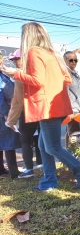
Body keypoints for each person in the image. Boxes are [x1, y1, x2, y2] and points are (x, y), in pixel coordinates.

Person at [1, 22, 80, 191]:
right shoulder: (52, 53)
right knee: (45, 146)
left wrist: (15, 73)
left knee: (52, 146)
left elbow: (38, 80)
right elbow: (67, 79)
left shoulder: (33, 52)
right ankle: (49, 181)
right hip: (56, 105)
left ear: (28, 36)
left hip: (46, 107)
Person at [6, 48, 43, 179]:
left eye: (17, 59)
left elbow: (18, 100)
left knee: (25, 140)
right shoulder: (38, 71)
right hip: (44, 110)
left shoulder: (20, 75)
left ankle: (29, 169)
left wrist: (10, 120)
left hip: (28, 111)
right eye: (14, 60)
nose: (15, 62)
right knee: (44, 140)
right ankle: (45, 165)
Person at [0, 54, 22, 179]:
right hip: (4, 114)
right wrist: (5, 114)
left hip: (5, 111)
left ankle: (2, 170)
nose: (1, 63)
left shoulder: (3, 75)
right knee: (9, 143)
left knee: (4, 143)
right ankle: (14, 172)